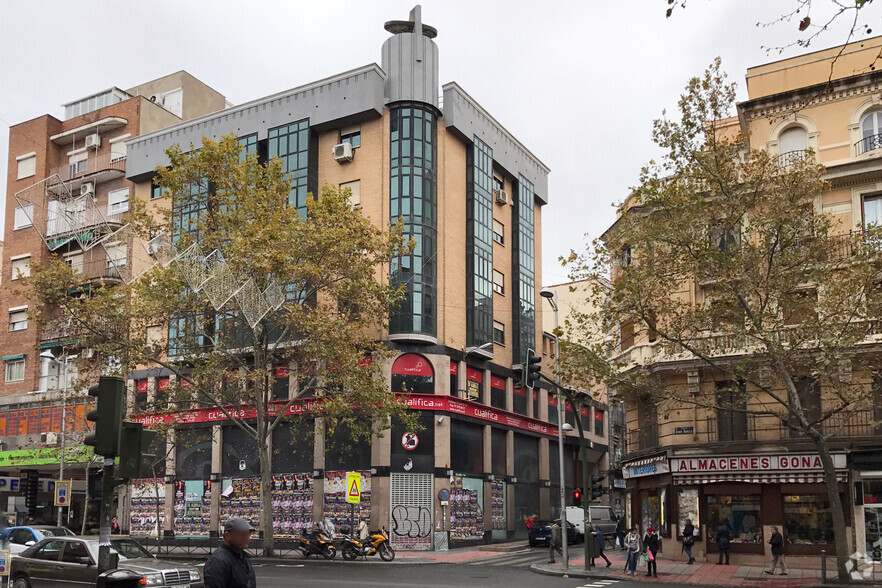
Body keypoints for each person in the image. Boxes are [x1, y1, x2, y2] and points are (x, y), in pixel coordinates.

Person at [204, 517, 257, 588]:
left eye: (248, 533)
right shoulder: (217, 561)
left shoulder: (243, 558)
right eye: (242, 534)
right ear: (227, 536)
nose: (247, 537)